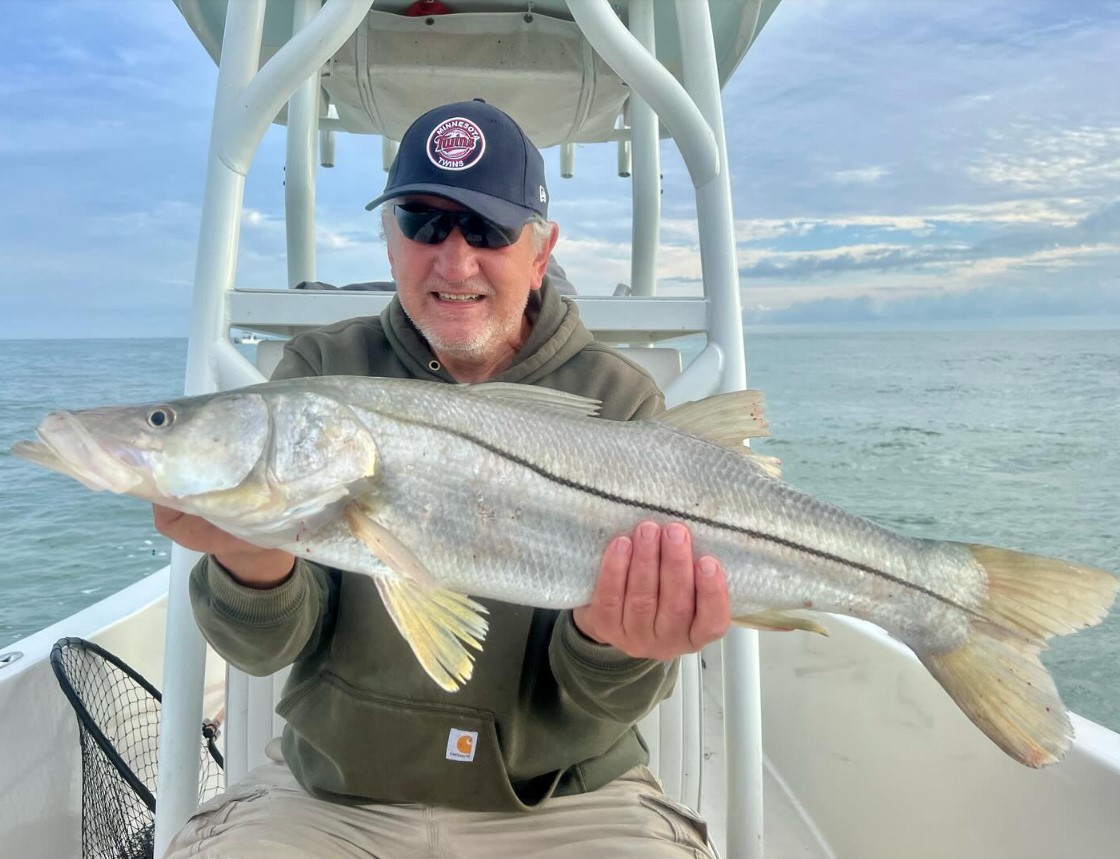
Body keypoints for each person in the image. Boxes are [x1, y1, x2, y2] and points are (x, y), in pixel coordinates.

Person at [159, 100, 728, 859]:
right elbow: (264, 651)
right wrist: (251, 563)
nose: (453, 262)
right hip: (332, 797)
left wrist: (615, 645)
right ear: (389, 241)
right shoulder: (320, 376)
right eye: (424, 223)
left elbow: (605, 696)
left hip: (568, 799)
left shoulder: (618, 401)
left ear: (541, 248)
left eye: (488, 229)